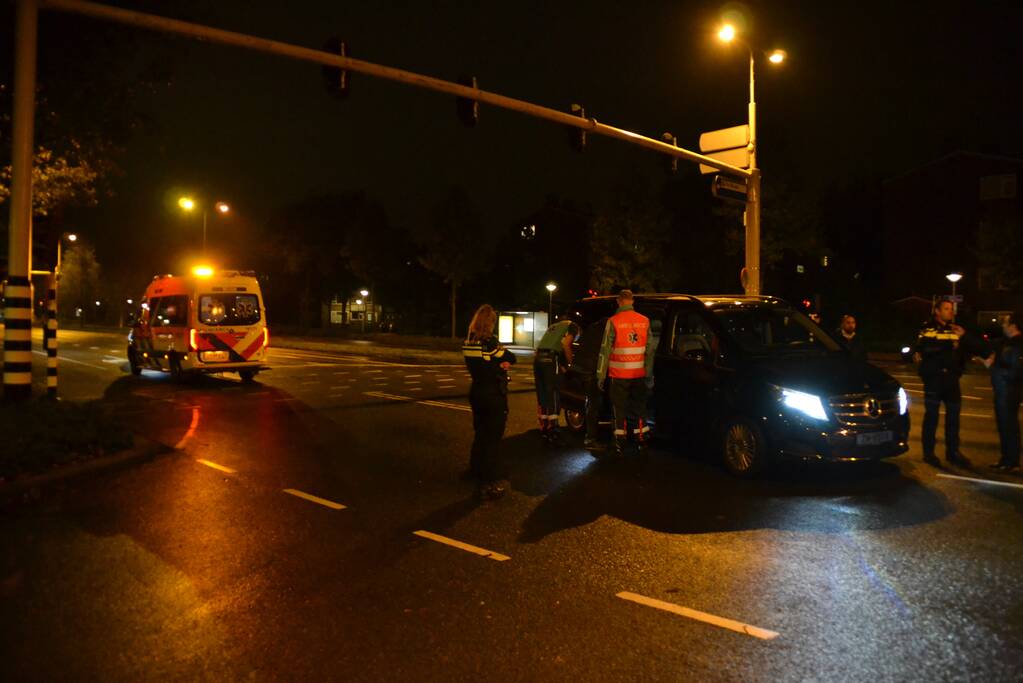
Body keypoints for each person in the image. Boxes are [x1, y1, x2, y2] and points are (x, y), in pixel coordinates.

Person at [913, 300, 986, 467]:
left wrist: (963, 338)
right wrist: (949, 345)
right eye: (946, 309)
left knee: (953, 418)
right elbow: (926, 349)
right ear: (937, 311)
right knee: (931, 418)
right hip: (934, 381)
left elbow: (968, 349)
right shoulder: (928, 328)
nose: (950, 312)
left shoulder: (956, 329)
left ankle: (953, 452)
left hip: (952, 381)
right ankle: (929, 453)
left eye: (951, 309)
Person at [462, 304, 517, 499]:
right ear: (490, 322)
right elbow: (511, 357)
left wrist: (496, 363)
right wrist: (502, 363)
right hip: (493, 394)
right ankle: (488, 483)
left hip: (476, 391)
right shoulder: (490, 342)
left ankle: (475, 469)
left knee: (480, 434)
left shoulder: (469, 341)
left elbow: (482, 364)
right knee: (493, 439)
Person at [596, 290, 656, 456]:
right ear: (632, 301)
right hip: (638, 374)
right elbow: (650, 351)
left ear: (618, 301)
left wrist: (600, 376)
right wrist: (649, 376)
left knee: (619, 409)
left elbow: (604, 351)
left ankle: (619, 443)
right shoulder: (644, 321)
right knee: (639, 407)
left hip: (619, 375)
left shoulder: (613, 321)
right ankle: (641, 439)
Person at [984, 312, 1023, 473]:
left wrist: (991, 367)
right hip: (1004, 390)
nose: (1002, 326)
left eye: (1005, 323)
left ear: (1013, 326)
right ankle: (1006, 459)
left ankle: (1012, 462)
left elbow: (1015, 371)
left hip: (1009, 391)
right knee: (1004, 426)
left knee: (1009, 426)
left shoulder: (1017, 344)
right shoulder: (1008, 343)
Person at [533, 317, 579, 444]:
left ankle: (544, 426)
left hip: (538, 359)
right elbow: (565, 345)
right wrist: (570, 364)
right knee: (553, 390)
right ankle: (553, 427)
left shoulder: (554, 326)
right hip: (550, 359)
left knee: (542, 392)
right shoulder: (573, 326)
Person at [571, 315, 610, 450]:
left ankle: (591, 436)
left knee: (591, 402)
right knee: (594, 404)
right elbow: (605, 352)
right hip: (590, 369)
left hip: (581, 367)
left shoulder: (593, 327)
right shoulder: (606, 331)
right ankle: (591, 439)